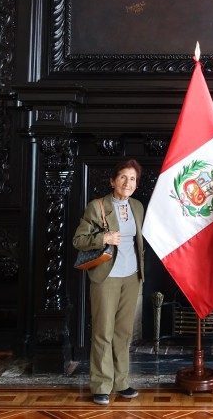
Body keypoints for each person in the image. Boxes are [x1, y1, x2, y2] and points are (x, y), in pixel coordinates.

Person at [71, 159, 146, 406]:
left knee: (123, 334)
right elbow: (78, 240)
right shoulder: (97, 206)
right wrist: (104, 237)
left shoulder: (137, 206)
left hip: (132, 277)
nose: (128, 182)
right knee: (103, 332)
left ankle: (121, 382)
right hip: (106, 278)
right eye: (123, 177)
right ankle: (102, 385)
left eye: (132, 178)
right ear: (113, 181)